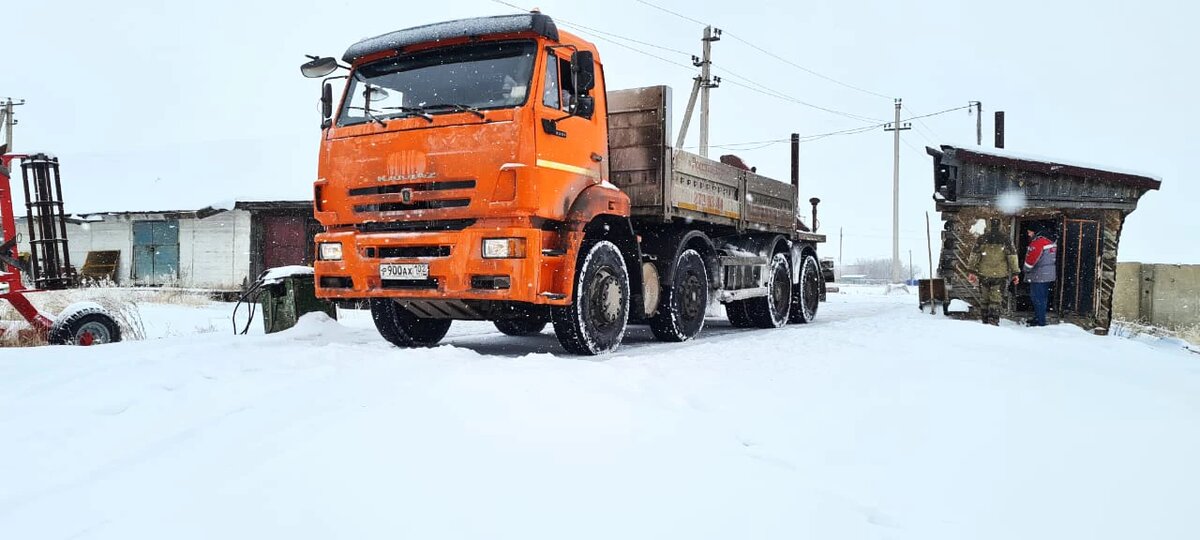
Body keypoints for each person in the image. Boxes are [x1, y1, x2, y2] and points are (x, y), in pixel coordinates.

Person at [966, 219, 1021, 325]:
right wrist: (1015, 273)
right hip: (1000, 275)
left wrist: (971, 271)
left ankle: (985, 321)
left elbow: (974, 256)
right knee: (995, 299)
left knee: (984, 299)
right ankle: (993, 321)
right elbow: (1012, 257)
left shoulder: (982, 239)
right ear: (1000, 225)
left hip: (984, 274)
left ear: (988, 225)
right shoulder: (1006, 239)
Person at [1024, 226, 1058, 326]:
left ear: (1035, 232)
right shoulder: (1049, 240)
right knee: (1042, 297)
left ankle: (1040, 320)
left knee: (1037, 297)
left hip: (1039, 274)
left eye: (1030, 232)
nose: (1028, 234)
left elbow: (1032, 259)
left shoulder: (1038, 242)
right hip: (1046, 274)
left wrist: (1025, 269)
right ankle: (1039, 317)